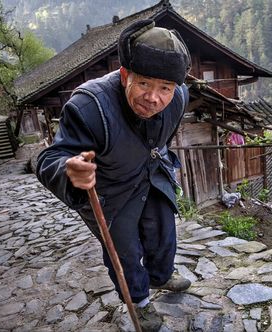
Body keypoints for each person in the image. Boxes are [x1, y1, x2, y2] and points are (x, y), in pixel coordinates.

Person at [36, 19, 192, 331]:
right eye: (145, 84)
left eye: (165, 88)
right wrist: (70, 171)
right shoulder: (90, 105)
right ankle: (140, 302)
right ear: (125, 75)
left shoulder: (179, 99)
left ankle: (161, 275)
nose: (154, 98)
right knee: (124, 252)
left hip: (150, 173)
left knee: (164, 230)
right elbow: (50, 157)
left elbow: (163, 139)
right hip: (109, 191)